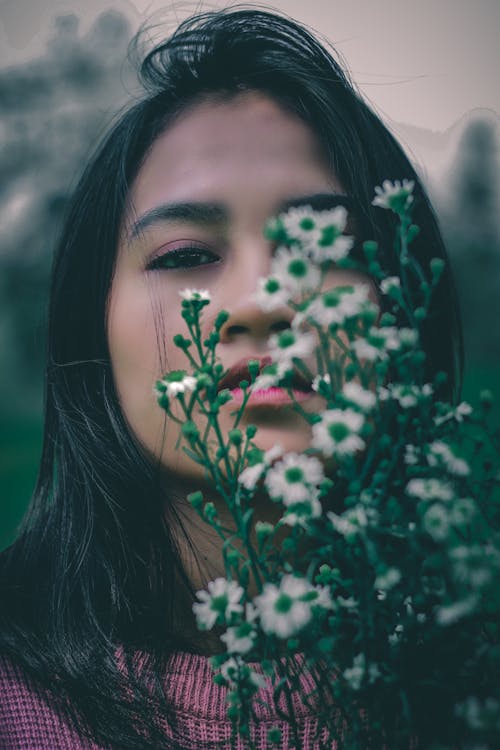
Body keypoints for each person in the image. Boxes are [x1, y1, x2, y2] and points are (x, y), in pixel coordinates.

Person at [0, 7, 463, 749]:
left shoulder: (471, 675)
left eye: (324, 244)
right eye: (184, 256)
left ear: (403, 306)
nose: (262, 302)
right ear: (89, 328)